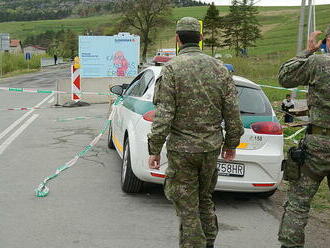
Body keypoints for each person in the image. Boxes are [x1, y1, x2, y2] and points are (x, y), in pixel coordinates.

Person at [147, 17, 244, 248]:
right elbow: (232, 112)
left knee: (188, 207)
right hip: (210, 149)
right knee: (205, 201)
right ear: (200, 39)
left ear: (177, 39)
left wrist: (155, 149)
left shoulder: (171, 69)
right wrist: (231, 144)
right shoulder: (220, 69)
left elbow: (164, 115)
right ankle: (208, 243)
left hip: (182, 151)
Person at [278, 27, 330, 248]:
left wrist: (307, 52)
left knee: (299, 203)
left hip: (318, 143)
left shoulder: (319, 63)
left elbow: (285, 77)